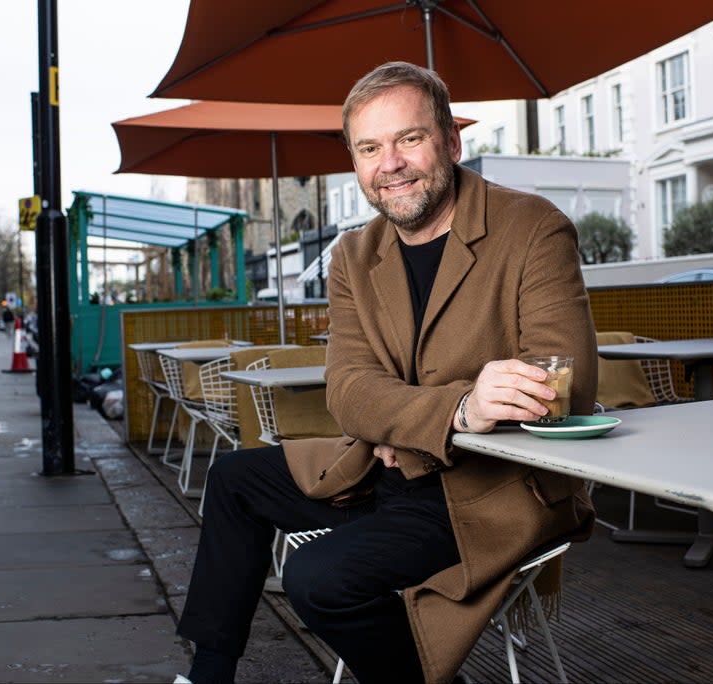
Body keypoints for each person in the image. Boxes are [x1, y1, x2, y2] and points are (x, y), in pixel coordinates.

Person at [177, 61, 598, 684]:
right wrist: (457, 408)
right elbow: (348, 390)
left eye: (409, 139)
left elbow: (561, 383)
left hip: (489, 493)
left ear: (452, 142)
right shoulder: (353, 253)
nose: (390, 163)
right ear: (355, 163)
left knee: (317, 578)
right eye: (370, 148)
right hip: (384, 474)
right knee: (236, 478)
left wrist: (408, 426)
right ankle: (208, 678)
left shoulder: (531, 227)